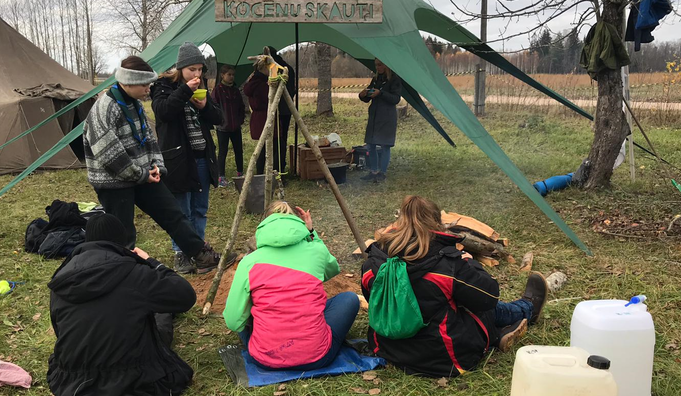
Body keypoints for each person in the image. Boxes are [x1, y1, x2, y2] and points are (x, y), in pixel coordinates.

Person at [361, 195, 548, 377]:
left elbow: (375, 301)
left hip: (387, 349)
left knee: (452, 298)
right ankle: (527, 308)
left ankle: (507, 326)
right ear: (436, 224)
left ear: (399, 222)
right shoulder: (446, 265)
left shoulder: (373, 263)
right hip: (442, 359)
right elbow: (489, 297)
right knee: (477, 304)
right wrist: (469, 262)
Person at [82, 55, 223, 273]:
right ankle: (124, 273)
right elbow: (109, 154)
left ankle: (201, 255)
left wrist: (157, 165)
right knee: (123, 232)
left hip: (143, 175)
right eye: (144, 84)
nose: (149, 88)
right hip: (114, 182)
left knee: (172, 213)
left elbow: (150, 138)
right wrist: (140, 174)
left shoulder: (135, 106)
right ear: (128, 82)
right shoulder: (104, 109)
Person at [47, 214, 196, 396]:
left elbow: (59, 328)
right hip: (132, 378)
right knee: (161, 313)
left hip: (74, 382)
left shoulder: (61, 277)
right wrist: (151, 262)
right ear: (122, 241)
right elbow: (185, 296)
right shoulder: (134, 273)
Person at [223, 201, 360, 370]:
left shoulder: (249, 262)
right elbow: (332, 270)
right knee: (350, 299)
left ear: (264, 226)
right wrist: (311, 233)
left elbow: (233, 321)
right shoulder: (315, 251)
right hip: (317, 358)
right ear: (298, 224)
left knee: (243, 308)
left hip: (264, 359)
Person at [151, 42, 234, 274]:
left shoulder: (203, 87)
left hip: (202, 157)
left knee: (200, 209)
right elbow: (164, 111)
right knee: (181, 210)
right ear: (180, 69)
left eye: (200, 70)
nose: (197, 74)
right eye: (192, 70)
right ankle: (181, 253)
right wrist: (185, 91)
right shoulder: (163, 87)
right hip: (178, 159)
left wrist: (205, 105)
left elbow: (219, 118)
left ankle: (200, 253)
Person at [244, 46, 295, 175]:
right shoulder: (261, 82)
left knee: (272, 146)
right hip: (268, 116)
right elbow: (265, 99)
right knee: (272, 146)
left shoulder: (276, 71)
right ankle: (271, 172)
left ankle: (271, 172)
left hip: (271, 114)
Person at [358, 58, 403, 182]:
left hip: (387, 117)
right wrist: (363, 95)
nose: (377, 67)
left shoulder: (394, 79)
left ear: (386, 65)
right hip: (374, 116)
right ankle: (374, 171)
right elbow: (369, 96)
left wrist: (381, 93)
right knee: (370, 145)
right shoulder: (376, 79)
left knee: (385, 145)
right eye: (376, 65)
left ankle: (382, 173)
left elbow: (395, 99)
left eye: (379, 65)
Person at [211, 64, 246, 187]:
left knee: (239, 151)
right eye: (229, 74)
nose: (231, 77)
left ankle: (240, 174)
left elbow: (242, 107)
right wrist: (219, 121)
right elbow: (213, 107)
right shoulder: (217, 90)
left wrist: (240, 120)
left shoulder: (236, 90)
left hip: (235, 126)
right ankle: (221, 177)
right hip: (223, 128)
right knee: (222, 152)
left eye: (233, 75)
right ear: (222, 75)